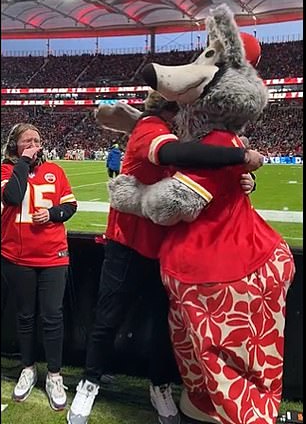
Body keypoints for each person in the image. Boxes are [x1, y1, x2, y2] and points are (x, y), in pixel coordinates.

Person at [67, 92, 262, 424]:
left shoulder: (184, 133)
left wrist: (243, 177)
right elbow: (174, 153)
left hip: (170, 247)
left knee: (166, 326)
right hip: (129, 242)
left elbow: (205, 179)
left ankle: (159, 385)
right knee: (108, 318)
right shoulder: (150, 126)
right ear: (175, 109)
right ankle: (90, 381)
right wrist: (238, 155)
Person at [1, 123, 77, 411]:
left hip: (52, 255)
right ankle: (28, 368)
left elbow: (70, 206)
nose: (34, 144)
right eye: (27, 141)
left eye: (37, 140)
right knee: (25, 316)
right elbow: (12, 197)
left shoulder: (55, 171)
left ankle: (54, 375)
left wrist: (54, 213)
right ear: (15, 145)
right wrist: (22, 162)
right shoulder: (7, 170)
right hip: (17, 256)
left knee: (52, 316)